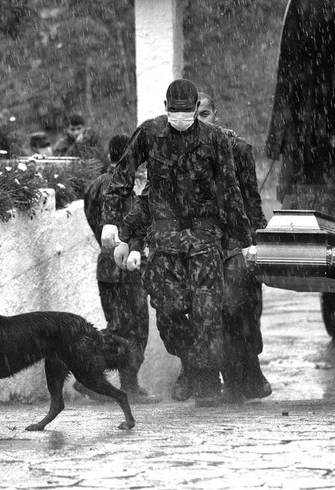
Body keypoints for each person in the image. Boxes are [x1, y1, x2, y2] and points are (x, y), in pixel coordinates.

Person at [101, 79, 252, 408]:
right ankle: (195, 364)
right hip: (165, 244)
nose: (180, 117)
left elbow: (229, 190)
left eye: (187, 111)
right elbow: (124, 174)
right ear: (166, 107)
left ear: (197, 108)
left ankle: (206, 380)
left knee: (207, 316)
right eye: (175, 111)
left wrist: (245, 239)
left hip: (204, 241)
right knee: (168, 316)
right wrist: (112, 221)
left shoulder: (214, 140)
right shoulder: (151, 134)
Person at [186, 91, 272, 404]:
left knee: (240, 304)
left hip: (235, 238)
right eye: (195, 115)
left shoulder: (238, 148)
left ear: (216, 114)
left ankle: (246, 372)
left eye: (205, 114)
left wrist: (258, 239)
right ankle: (207, 376)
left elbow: (251, 198)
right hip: (199, 240)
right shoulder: (177, 150)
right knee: (205, 312)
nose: (200, 121)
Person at [73, 134, 161, 404]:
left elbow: (94, 224)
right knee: (134, 330)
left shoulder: (94, 186)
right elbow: (134, 225)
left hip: (106, 265)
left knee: (117, 326)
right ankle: (125, 386)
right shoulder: (124, 187)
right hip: (127, 267)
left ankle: (90, 377)